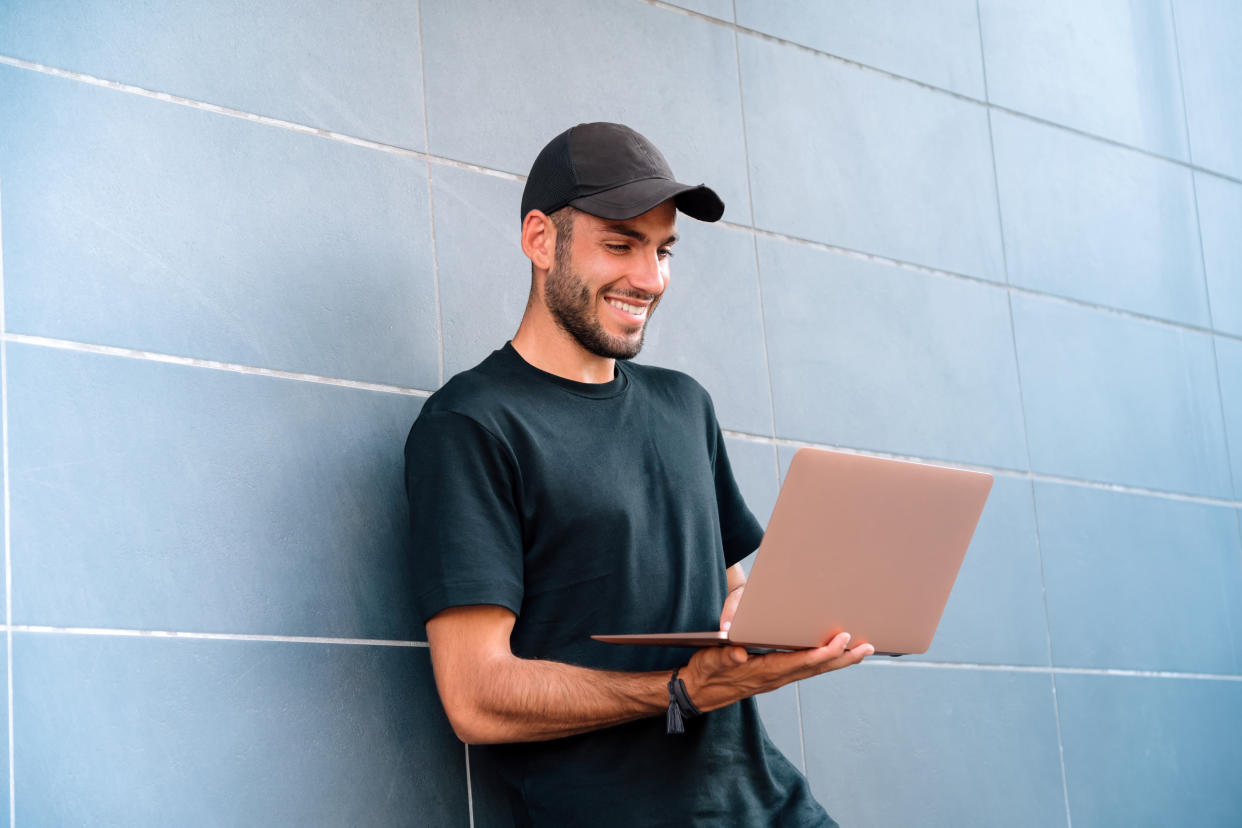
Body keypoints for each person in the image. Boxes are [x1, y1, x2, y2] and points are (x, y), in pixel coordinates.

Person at [404, 122, 872, 826]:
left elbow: (729, 597)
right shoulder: (472, 425)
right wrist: (679, 690)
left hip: (772, 807)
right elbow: (475, 696)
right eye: (620, 245)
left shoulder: (684, 404)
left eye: (663, 250)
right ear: (540, 240)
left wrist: (762, 635)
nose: (650, 279)